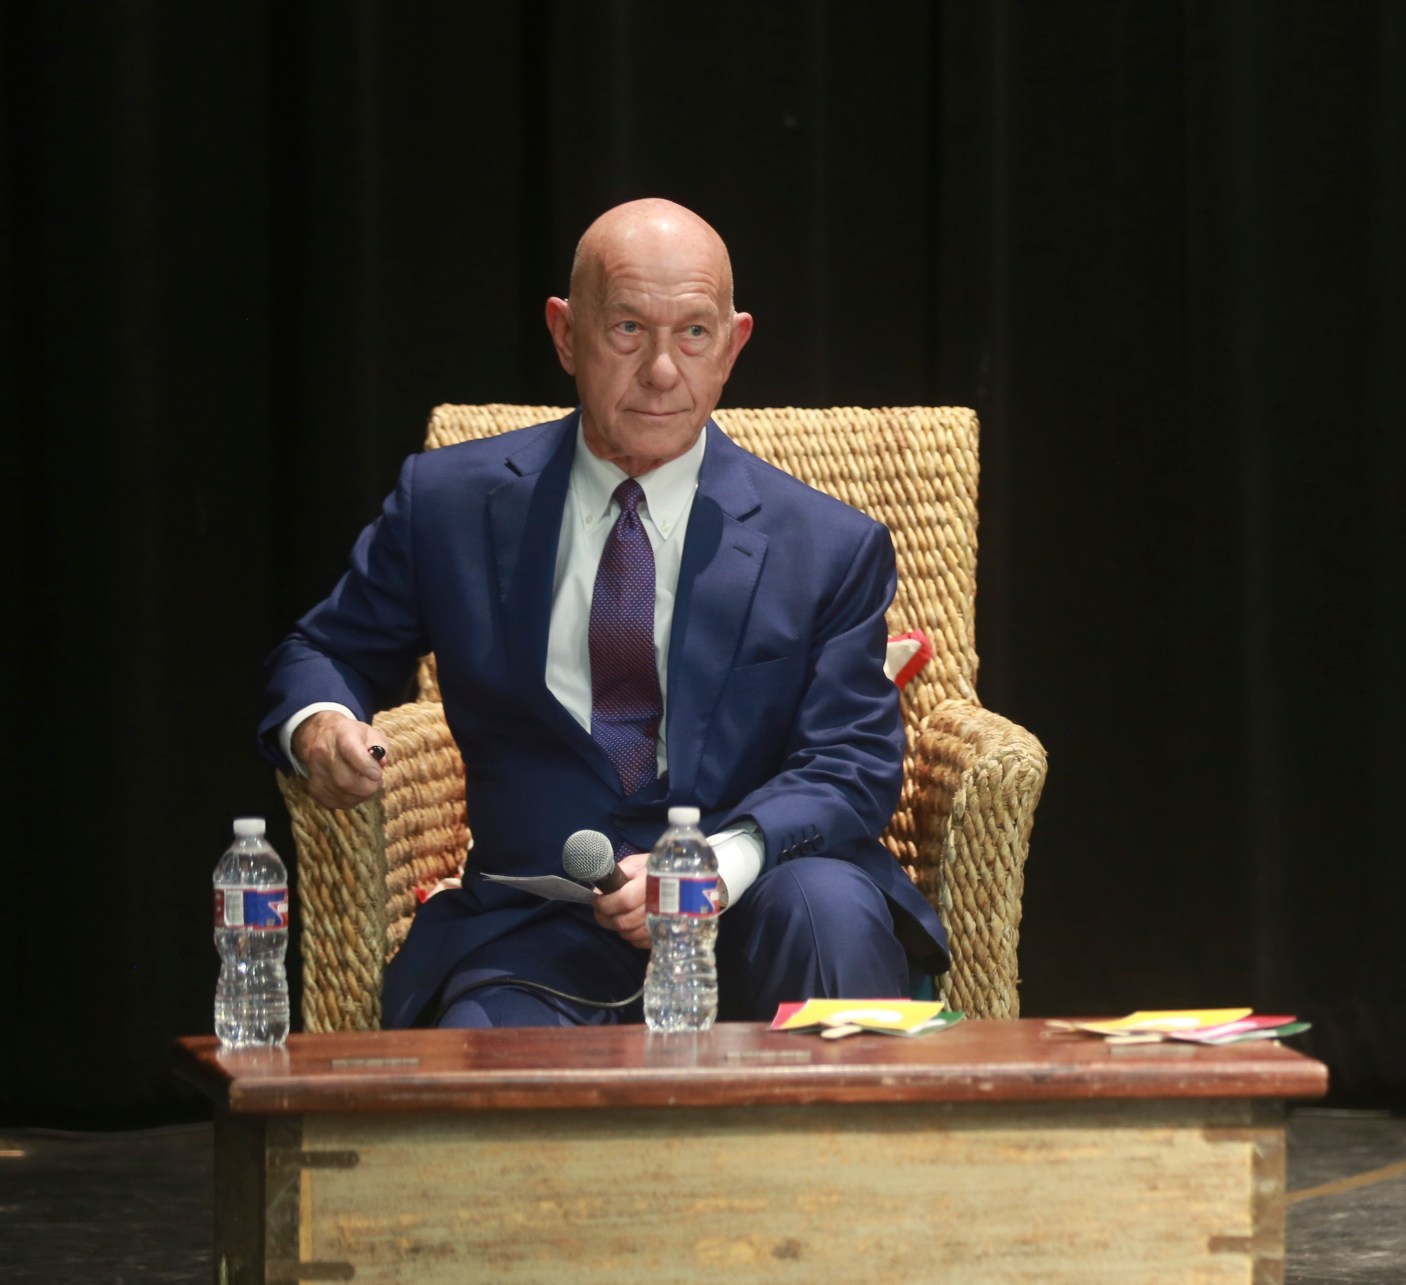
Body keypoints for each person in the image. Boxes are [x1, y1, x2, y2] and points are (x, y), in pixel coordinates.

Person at [257, 198, 945, 1029]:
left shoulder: (827, 546)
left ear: (733, 346)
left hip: (759, 901)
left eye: (694, 334)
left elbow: (853, 761)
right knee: (484, 1066)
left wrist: (714, 865)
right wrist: (321, 721)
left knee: (831, 915)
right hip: (538, 927)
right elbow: (325, 649)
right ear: (565, 333)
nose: (662, 370)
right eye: (626, 329)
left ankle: (847, 1160)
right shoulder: (448, 504)